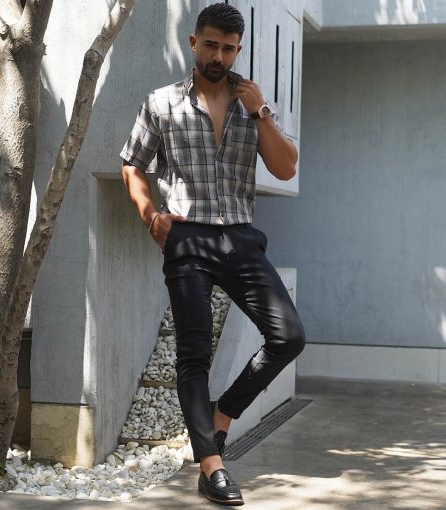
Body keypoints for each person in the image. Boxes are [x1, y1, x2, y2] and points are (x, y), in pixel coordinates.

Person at [120, 3, 306, 506]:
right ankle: (211, 465)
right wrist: (151, 216)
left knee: (289, 335)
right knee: (194, 353)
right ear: (194, 43)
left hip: (240, 237)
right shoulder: (161, 103)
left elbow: (285, 168)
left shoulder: (253, 105)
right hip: (187, 238)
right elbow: (132, 165)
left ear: (237, 50)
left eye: (227, 48)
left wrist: (261, 112)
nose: (218, 56)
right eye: (210, 45)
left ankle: (222, 413)